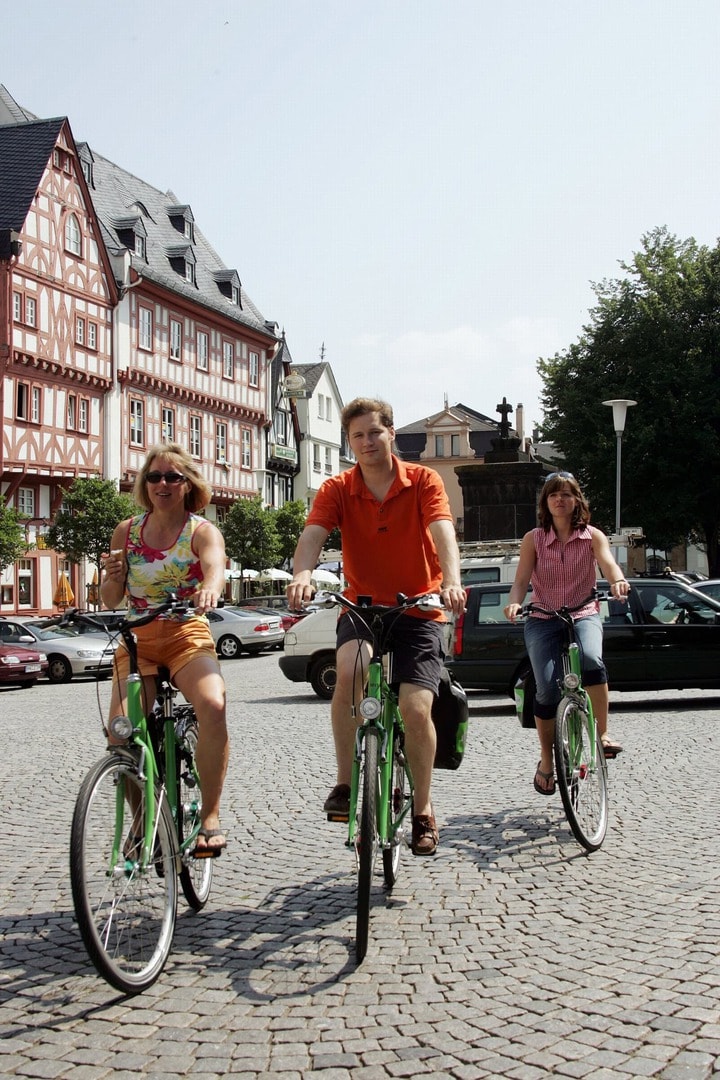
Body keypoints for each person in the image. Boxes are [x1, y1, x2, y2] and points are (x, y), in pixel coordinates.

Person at [286, 397, 466, 856]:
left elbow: (443, 528)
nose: (367, 442)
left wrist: (451, 579)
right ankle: (346, 784)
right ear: (351, 443)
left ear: (391, 435)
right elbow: (313, 535)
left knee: (416, 707)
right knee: (349, 674)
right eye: (358, 436)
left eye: (374, 432)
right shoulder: (338, 489)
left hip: (419, 608)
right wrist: (303, 573)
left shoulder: (423, 480)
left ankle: (423, 810)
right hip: (362, 607)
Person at [101, 442, 229, 857]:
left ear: (188, 484)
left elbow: (215, 567)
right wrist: (113, 576)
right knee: (121, 736)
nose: (162, 484)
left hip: (185, 635)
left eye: (173, 477)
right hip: (138, 642)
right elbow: (109, 599)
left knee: (212, 704)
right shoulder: (127, 531)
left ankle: (209, 816)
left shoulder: (201, 531)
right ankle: (143, 823)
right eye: (154, 476)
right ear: (144, 483)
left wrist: (209, 589)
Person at [503, 471, 628, 796]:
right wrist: (515, 603)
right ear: (545, 502)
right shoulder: (534, 539)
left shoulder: (591, 536)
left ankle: (601, 734)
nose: (560, 499)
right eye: (553, 495)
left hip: (583, 612)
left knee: (590, 660)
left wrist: (616, 581)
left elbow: (609, 565)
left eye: (567, 494)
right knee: (545, 687)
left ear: (577, 501)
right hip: (543, 617)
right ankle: (547, 760)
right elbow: (520, 581)